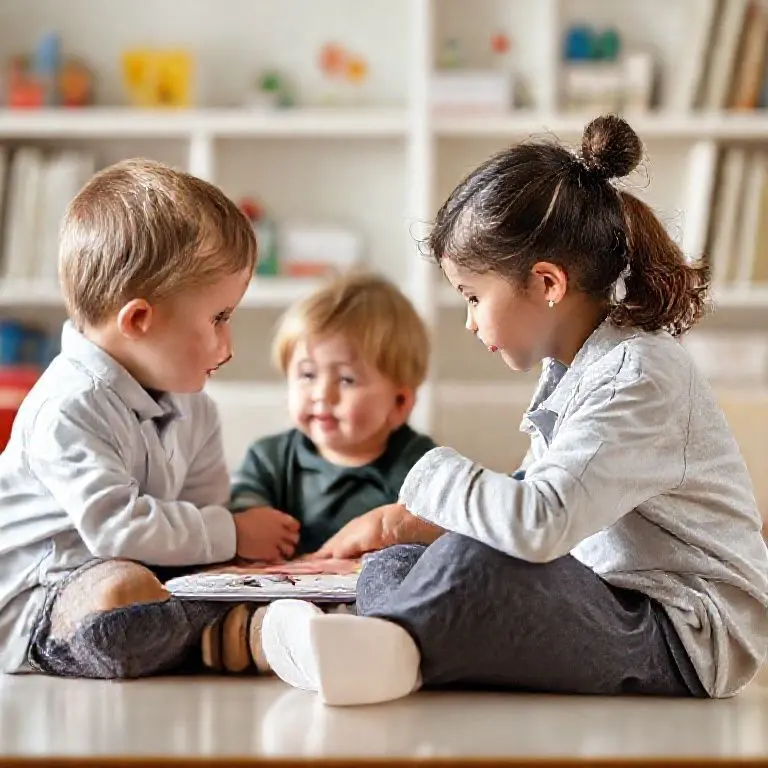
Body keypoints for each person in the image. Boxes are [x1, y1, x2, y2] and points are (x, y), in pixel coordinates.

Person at [258, 115, 768, 705]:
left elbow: (537, 523)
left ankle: (389, 647)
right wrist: (402, 524)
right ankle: (392, 648)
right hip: (611, 599)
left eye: (475, 297)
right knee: (398, 559)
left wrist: (423, 473)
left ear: (547, 283)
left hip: (684, 633)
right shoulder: (574, 372)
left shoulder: (640, 376)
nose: (471, 320)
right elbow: (531, 503)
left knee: (476, 562)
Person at [0, 158, 292, 679]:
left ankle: (225, 630)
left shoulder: (194, 404)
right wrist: (233, 532)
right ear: (138, 320)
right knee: (121, 591)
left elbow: (201, 518)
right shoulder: (68, 406)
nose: (228, 344)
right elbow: (119, 528)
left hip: (151, 577)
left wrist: (236, 559)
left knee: (195, 585)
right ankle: (218, 636)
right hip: (39, 601)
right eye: (218, 319)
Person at [200, 271, 437, 673]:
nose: (322, 395)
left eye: (346, 379)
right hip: (283, 594)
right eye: (307, 374)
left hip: (367, 600)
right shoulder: (271, 457)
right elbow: (244, 504)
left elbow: (437, 527)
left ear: (399, 402)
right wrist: (253, 521)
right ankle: (256, 638)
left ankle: (342, 648)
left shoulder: (419, 462)